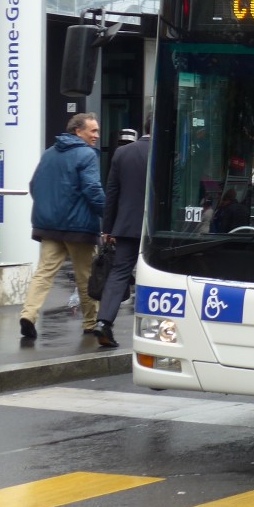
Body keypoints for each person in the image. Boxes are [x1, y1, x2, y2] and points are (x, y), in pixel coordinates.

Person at [19, 112, 104, 340]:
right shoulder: (87, 154)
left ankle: (28, 314)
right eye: (93, 130)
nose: (97, 135)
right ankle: (90, 322)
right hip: (79, 227)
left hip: (50, 226)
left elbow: (34, 185)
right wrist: (108, 215)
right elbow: (93, 190)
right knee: (85, 277)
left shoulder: (49, 153)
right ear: (78, 131)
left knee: (44, 273)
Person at [95, 114, 152, 348]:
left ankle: (103, 322)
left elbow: (112, 195)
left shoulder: (122, 153)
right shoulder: (168, 153)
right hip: (154, 229)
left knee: (119, 274)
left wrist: (107, 229)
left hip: (126, 225)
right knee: (158, 276)